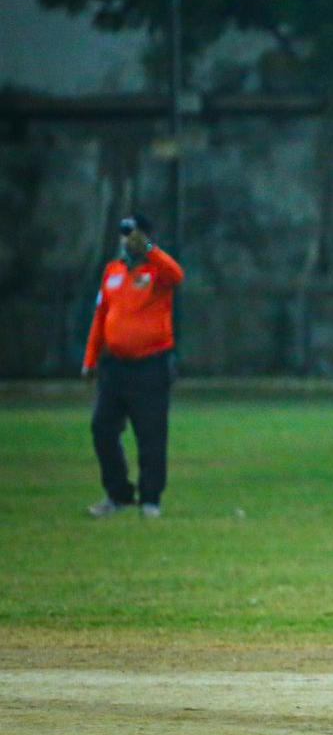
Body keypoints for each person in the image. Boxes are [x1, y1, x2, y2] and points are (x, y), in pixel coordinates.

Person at [82, 212, 184, 519]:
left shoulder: (157, 269)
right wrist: (90, 358)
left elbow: (177, 275)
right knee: (102, 427)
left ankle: (150, 499)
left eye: (133, 233)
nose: (127, 239)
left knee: (150, 433)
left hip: (150, 365)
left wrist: (149, 249)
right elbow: (101, 315)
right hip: (115, 365)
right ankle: (118, 494)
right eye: (125, 233)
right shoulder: (113, 270)